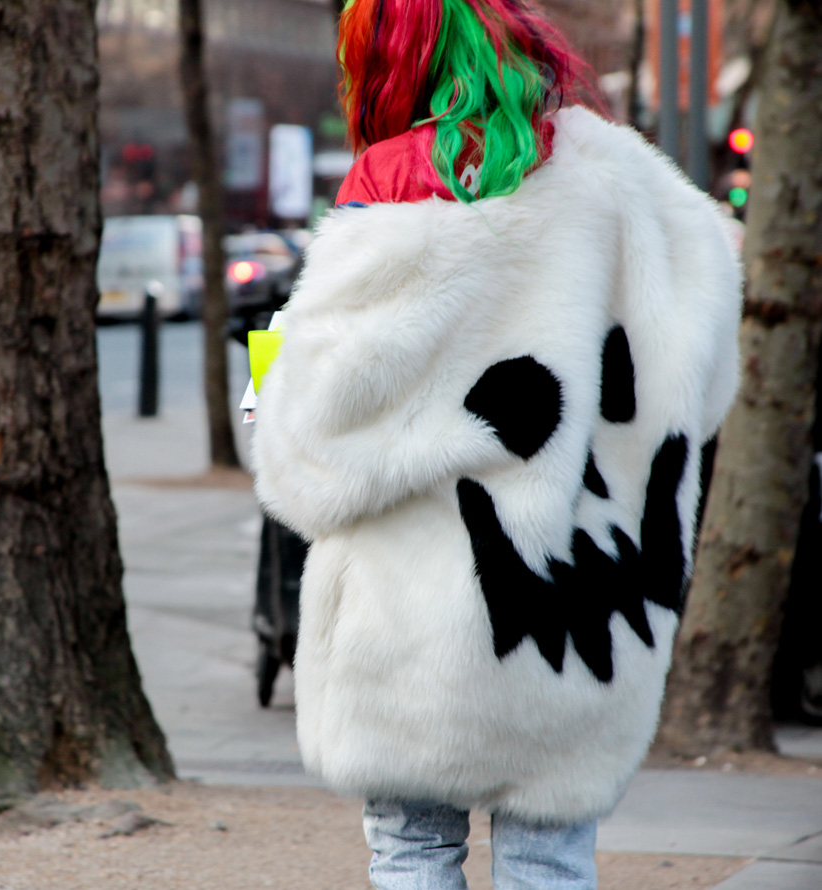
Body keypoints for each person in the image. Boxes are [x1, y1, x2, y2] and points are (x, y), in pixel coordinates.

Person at [249, 1, 743, 888]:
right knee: (550, 861)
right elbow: (700, 398)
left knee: (410, 852)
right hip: (590, 609)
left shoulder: (394, 178)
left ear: (396, 61)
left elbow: (308, 442)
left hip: (417, 623)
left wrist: (265, 368)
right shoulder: (645, 193)